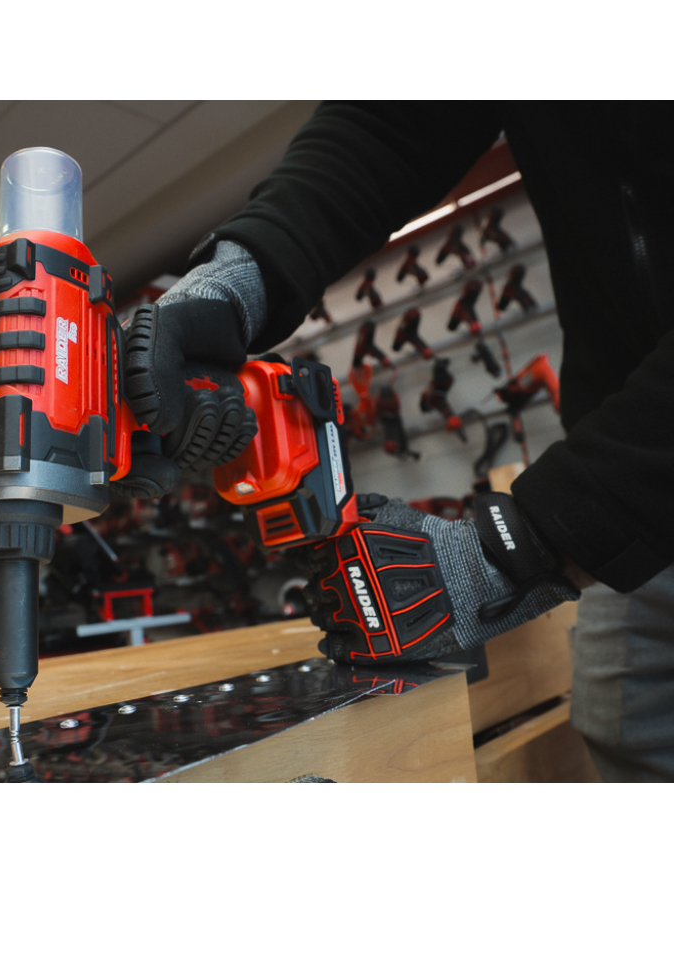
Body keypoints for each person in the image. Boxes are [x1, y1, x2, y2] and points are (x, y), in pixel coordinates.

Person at [116, 102, 674, 782]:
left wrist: (529, 545)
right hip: (636, 518)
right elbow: (394, 124)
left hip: (629, 490)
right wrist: (236, 280)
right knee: (625, 734)